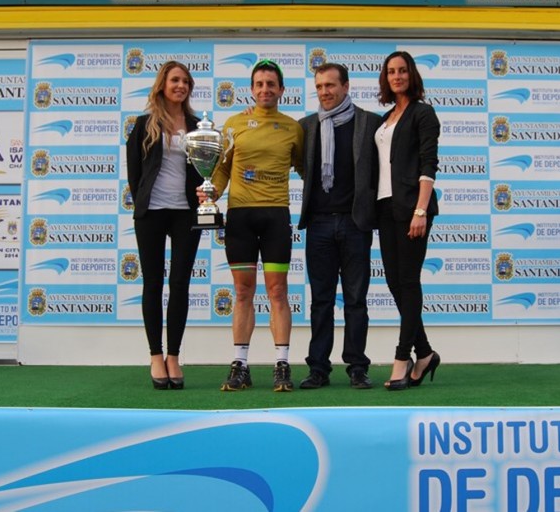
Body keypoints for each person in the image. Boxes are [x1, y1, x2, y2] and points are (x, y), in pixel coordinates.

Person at [205, 59, 304, 392]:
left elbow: (306, 169)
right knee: (243, 292)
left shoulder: (293, 128)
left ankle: (282, 364)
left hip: (276, 215)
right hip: (240, 216)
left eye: (271, 84)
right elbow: (220, 168)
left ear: (281, 90)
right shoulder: (234, 124)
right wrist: (211, 192)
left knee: (278, 292)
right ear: (252, 89)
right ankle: (240, 365)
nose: (265, 89)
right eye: (259, 84)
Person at [297, 63, 381, 389]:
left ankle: (357, 367)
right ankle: (318, 368)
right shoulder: (306, 126)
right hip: (318, 225)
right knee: (321, 301)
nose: (324, 92)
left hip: (355, 224)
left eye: (330, 86)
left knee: (356, 301)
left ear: (346, 86)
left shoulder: (370, 123)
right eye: (319, 87)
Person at [126, 60, 204, 390]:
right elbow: (134, 173)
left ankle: (174, 355)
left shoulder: (199, 125)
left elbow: (205, 170)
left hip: (186, 212)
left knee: (181, 284)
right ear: (162, 84)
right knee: (154, 283)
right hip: (152, 213)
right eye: (175, 80)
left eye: (185, 81)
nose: (180, 85)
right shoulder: (144, 125)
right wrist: (144, 203)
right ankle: (155, 355)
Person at [375, 50, 442, 390]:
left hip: (411, 209)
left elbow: (429, 165)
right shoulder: (385, 117)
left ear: (411, 74)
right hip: (385, 208)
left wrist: (420, 210)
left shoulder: (423, 113)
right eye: (391, 72)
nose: (397, 76)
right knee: (393, 282)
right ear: (385, 78)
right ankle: (426, 352)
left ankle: (403, 358)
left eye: (402, 71)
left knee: (409, 282)